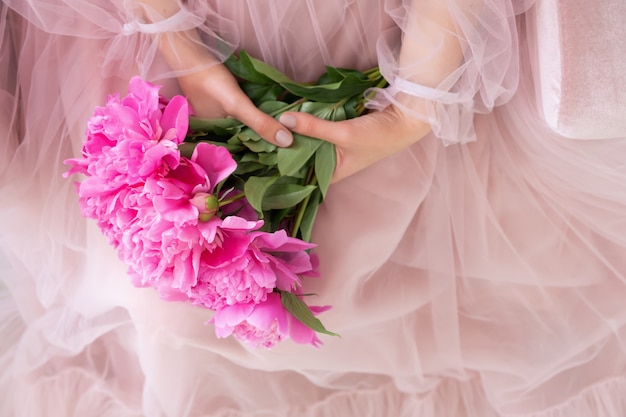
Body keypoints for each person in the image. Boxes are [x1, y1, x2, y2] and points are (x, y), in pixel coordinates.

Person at [1, 0, 625, 416]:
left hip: (370, 34)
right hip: (166, 29)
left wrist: (416, 107)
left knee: (372, 252)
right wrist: (178, 47)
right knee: (168, 290)